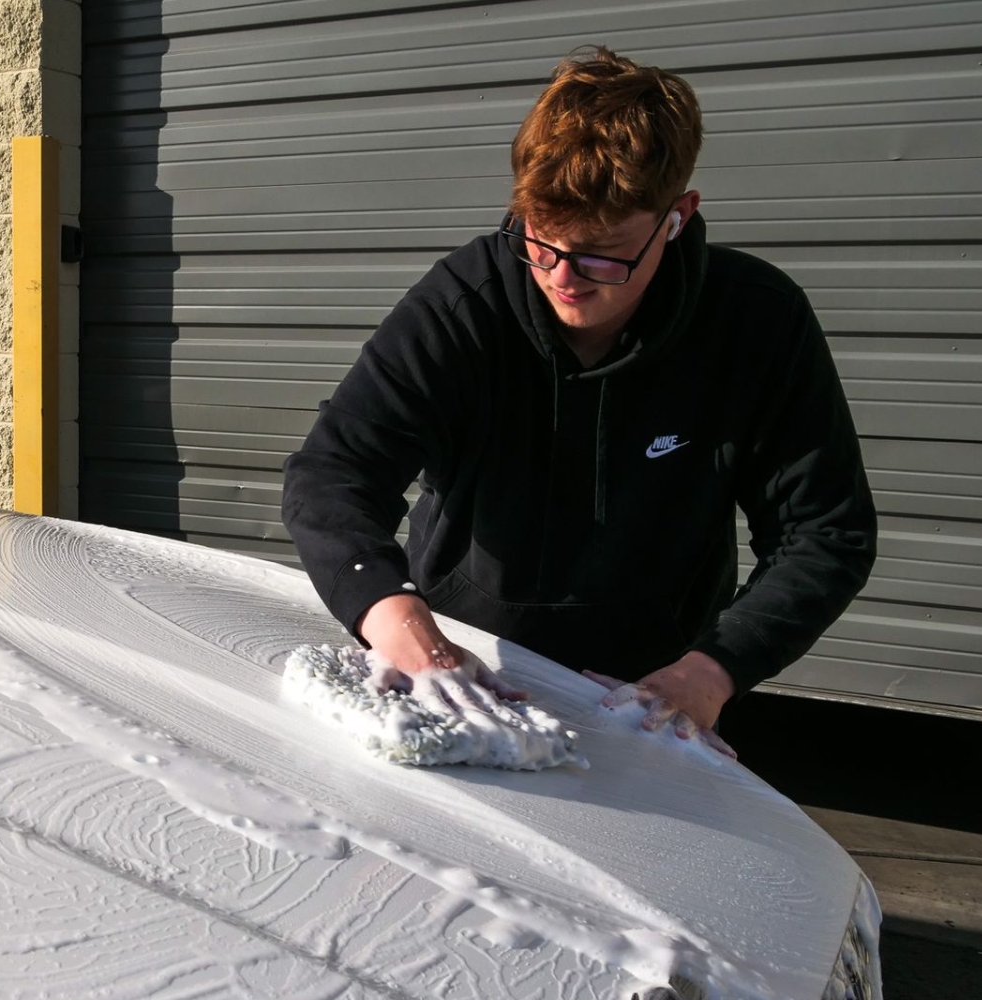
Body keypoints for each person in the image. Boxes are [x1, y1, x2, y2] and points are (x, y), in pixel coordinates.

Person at [279, 46, 878, 753]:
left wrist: (714, 671)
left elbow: (825, 532)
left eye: (603, 253)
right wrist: (399, 624)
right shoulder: (466, 304)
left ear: (678, 217)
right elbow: (333, 472)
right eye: (542, 241)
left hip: (652, 696)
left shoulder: (757, 323)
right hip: (462, 668)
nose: (564, 278)